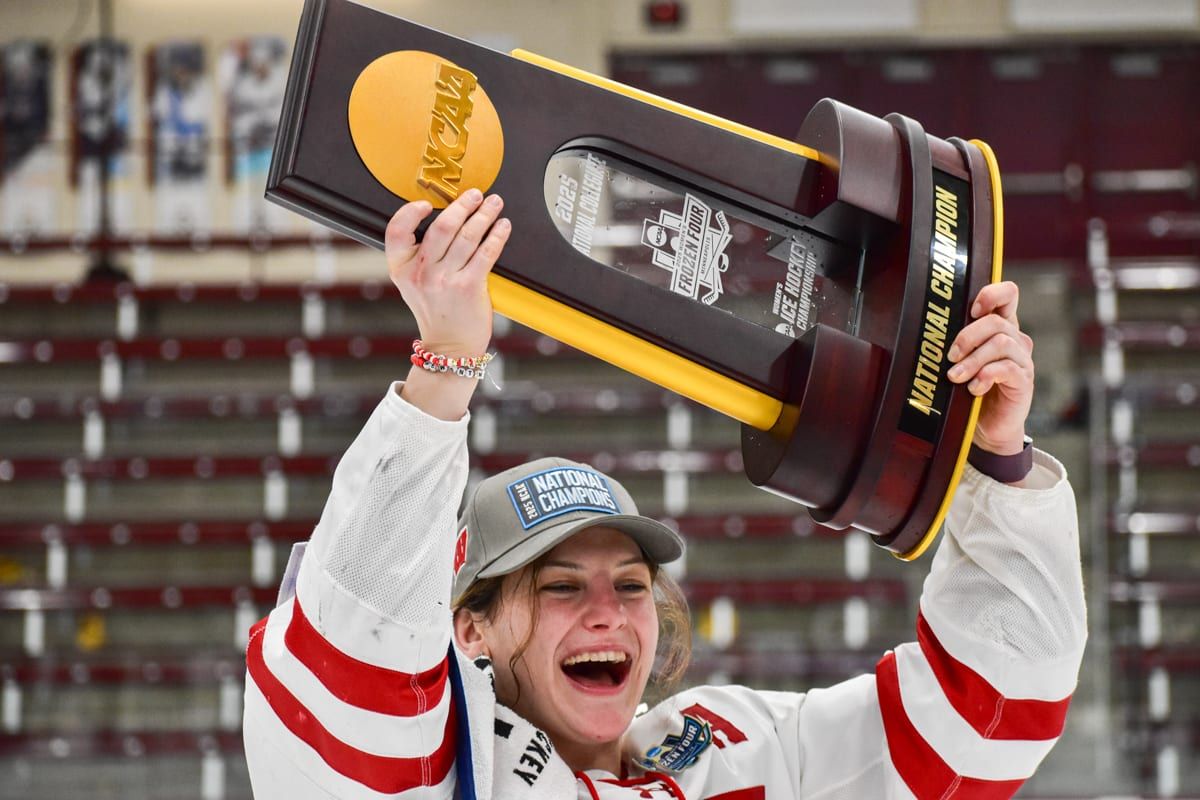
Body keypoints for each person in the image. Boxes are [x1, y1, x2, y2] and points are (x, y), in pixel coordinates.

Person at [242, 189, 1087, 799]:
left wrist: (993, 459)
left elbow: (986, 721)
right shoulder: (447, 766)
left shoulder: (737, 750)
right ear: (472, 627)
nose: (608, 614)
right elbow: (351, 653)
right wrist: (448, 360)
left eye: (633, 586)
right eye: (561, 586)